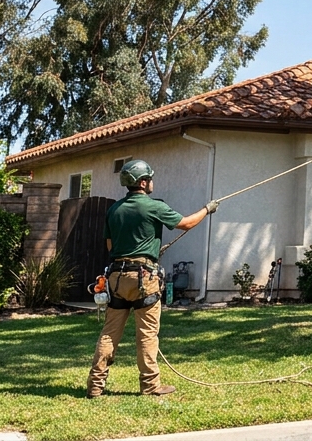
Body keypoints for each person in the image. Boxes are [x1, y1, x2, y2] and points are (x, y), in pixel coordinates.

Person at [85, 159, 216, 397]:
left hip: (116, 277)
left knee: (109, 333)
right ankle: (150, 386)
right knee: (146, 334)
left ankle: (95, 385)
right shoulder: (154, 207)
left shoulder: (114, 210)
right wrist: (207, 209)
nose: (152, 182)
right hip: (144, 278)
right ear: (143, 182)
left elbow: (110, 245)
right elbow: (186, 223)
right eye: (150, 178)